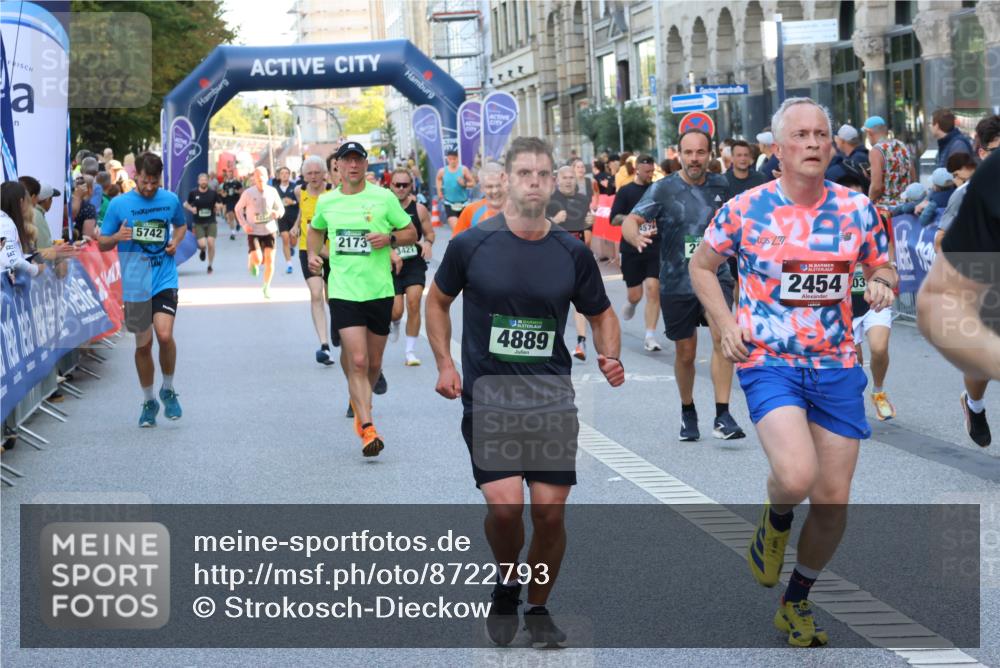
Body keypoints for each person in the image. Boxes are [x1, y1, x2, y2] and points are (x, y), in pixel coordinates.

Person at [690, 97, 895, 648]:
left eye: (820, 135)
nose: (812, 143)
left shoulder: (857, 210)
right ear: (777, 150)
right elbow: (703, 265)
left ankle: (796, 600)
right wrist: (725, 319)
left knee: (833, 500)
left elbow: (883, 263)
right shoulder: (746, 209)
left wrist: (880, 281)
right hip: (769, 362)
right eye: (800, 135)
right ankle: (776, 518)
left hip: (836, 365)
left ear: (831, 145)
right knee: (797, 476)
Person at [425, 136, 625, 649]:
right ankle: (507, 579)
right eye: (525, 174)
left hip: (551, 398)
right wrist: (446, 363)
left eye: (543, 174)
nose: (534, 182)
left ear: (553, 181)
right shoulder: (473, 244)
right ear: (508, 181)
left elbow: (600, 311)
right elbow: (437, 301)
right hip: (490, 396)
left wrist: (609, 354)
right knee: (507, 507)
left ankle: (538, 608)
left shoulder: (571, 251)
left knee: (550, 511)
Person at [622, 129, 745, 441]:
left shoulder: (721, 185)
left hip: (716, 278)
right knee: (686, 352)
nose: (694, 159)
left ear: (709, 154)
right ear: (679, 155)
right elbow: (631, 220)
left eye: (700, 153)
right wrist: (634, 235)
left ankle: (723, 414)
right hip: (677, 281)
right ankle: (688, 409)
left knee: (722, 340)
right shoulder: (663, 189)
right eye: (688, 153)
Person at [307, 142, 418, 456]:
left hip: (379, 290)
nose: (353, 166)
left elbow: (411, 232)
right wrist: (314, 256)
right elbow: (315, 231)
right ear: (338, 167)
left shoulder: (383, 198)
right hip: (343, 290)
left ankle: (359, 399)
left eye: (358, 160)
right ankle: (367, 427)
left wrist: (390, 239)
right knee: (357, 359)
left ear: (365, 165)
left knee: (373, 362)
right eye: (347, 161)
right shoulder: (327, 202)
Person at [922, 114, 1000, 447]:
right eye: (993, 150)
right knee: (981, 363)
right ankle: (975, 404)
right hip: (986, 280)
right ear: (981, 152)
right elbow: (942, 241)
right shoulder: (975, 188)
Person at [98, 152, 188, 427]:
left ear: (160, 179)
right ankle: (149, 400)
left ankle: (168, 388)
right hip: (136, 282)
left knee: (164, 334)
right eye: (145, 181)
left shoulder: (170, 200)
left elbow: (181, 226)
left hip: (164, 278)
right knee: (143, 345)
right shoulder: (119, 205)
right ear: (135, 175)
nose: (149, 187)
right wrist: (116, 237)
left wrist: (175, 242)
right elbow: (102, 242)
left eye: (154, 182)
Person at [839, 174, 899, 421]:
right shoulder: (828, 222)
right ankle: (853, 400)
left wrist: (886, 279)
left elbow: (889, 260)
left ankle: (879, 391)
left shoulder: (879, 219)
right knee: (855, 358)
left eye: (859, 195)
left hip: (873, 298)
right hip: (845, 303)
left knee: (879, 347)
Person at [611, 154, 662, 352]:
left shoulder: (657, 190)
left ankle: (650, 336)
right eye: (647, 171)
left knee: (652, 287)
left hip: (653, 245)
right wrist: (635, 219)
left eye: (652, 171)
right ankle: (632, 303)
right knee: (635, 294)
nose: (650, 175)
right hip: (631, 247)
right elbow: (613, 219)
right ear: (637, 169)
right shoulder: (625, 191)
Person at [290, 156, 337, 366]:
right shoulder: (299, 191)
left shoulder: (333, 192)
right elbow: (304, 211)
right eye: (309, 173)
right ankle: (324, 345)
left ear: (324, 173)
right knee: (316, 294)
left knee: (332, 297)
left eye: (317, 172)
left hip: (333, 250)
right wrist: (296, 225)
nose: (314, 177)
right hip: (308, 249)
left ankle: (337, 325)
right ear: (303, 176)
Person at [547, 165, 597, 360]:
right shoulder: (549, 201)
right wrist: (553, 220)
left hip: (577, 255)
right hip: (554, 256)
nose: (568, 181)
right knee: (553, 301)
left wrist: (589, 223)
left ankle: (581, 342)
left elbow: (587, 231)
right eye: (564, 177)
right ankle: (551, 342)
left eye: (571, 177)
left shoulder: (583, 200)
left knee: (579, 301)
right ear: (557, 180)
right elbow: (538, 227)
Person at [387, 167, 434, 366]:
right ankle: (395, 322)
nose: (400, 188)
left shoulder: (419, 209)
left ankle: (410, 352)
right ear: (390, 185)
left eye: (405, 185)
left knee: (414, 303)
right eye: (397, 184)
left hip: (414, 263)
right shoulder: (383, 208)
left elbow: (430, 233)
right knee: (396, 311)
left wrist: (427, 244)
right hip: (389, 265)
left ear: (411, 186)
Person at [234, 166, 284, 299]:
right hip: (254, 231)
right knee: (258, 258)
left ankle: (266, 286)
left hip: (270, 230)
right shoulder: (248, 193)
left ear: (267, 177)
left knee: (270, 261)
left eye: (263, 175)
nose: (260, 178)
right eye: (257, 176)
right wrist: (244, 224)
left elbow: (281, 209)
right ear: (254, 178)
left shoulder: (273, 191)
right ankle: (252, 261)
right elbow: (238, 209)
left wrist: (277, 213)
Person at [865, 115, 913, 214]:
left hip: (886, 210)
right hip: (905, 207)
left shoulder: (876, 151)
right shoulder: (902, 146)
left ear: (869, 132)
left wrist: (868, 202)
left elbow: (876, 186)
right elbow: (913, 176)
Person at [0, 181, 44, 278]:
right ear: (21, 202)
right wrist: (36, 269)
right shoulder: (5, 224)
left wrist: (27, 258)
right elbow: (13, 260)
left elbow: (6, 255)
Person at [453, 162, 506, 236]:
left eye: (499, 185)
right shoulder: (471, 211)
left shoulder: (519, 208)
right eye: (489, 186)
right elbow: (456, 243)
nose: (495, 191)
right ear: (481, 188)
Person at [184, 173, 221, 274]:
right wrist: (192, 209)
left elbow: (219, 203)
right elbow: (185, 204)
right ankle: (203, 250)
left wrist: (218, 207)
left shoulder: (213, 193)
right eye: (202, 180)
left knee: (211, 243)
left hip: (211, 221)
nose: (203, 182)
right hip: (198, 222)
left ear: (208, 181)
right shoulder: (193, 193)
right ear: (198, 181)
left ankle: (210, 265)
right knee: (202, 244)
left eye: (205, 180)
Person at [436, 149, 476, 228]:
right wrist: (439, 192)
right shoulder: (442, 171)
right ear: (447, 159)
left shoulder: (463, 170)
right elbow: (438, 179)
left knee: (464, 229)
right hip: (449, 203)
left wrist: (464, 184)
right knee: (456, 228)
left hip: (463, 203)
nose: (452, 161)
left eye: (454, 159)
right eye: (450, 159)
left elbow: (473, 183)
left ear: (458, 158)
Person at [824, 125, 870, 190]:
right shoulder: (858, 155)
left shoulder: (858, 158)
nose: (836, 142)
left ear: (842, 141)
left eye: (837, 139)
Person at [274, 166, 299, 275]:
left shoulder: (295, 187)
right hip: (282, 217)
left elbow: (302, 202)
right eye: (282, 173)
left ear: (289, 175)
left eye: (286, 173)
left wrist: (292, 202)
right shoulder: (275, 189)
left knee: (293, 240)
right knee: (285, 238)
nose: (284, 175)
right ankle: (289, 264)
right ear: (279, 176)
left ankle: (292, 247)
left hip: (294, 217)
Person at [70, 175, 98, 240]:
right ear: (90, 189)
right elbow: (87, 236)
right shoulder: (89, 208)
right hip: (78, 245)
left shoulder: (66, 203)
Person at [219, 169, 243, 240]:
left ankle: (238, 223)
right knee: (230, 216)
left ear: (233, 174)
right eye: (228, 174)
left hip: (236, 201)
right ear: (227, 175)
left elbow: (242, 191)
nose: (229, 175)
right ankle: (233, 233)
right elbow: (222, 193)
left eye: (231, 173)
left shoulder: (237, 182)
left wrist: (237, 191)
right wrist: (224, 194)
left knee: (236, 215)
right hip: (229, 201)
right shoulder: (225, 184)